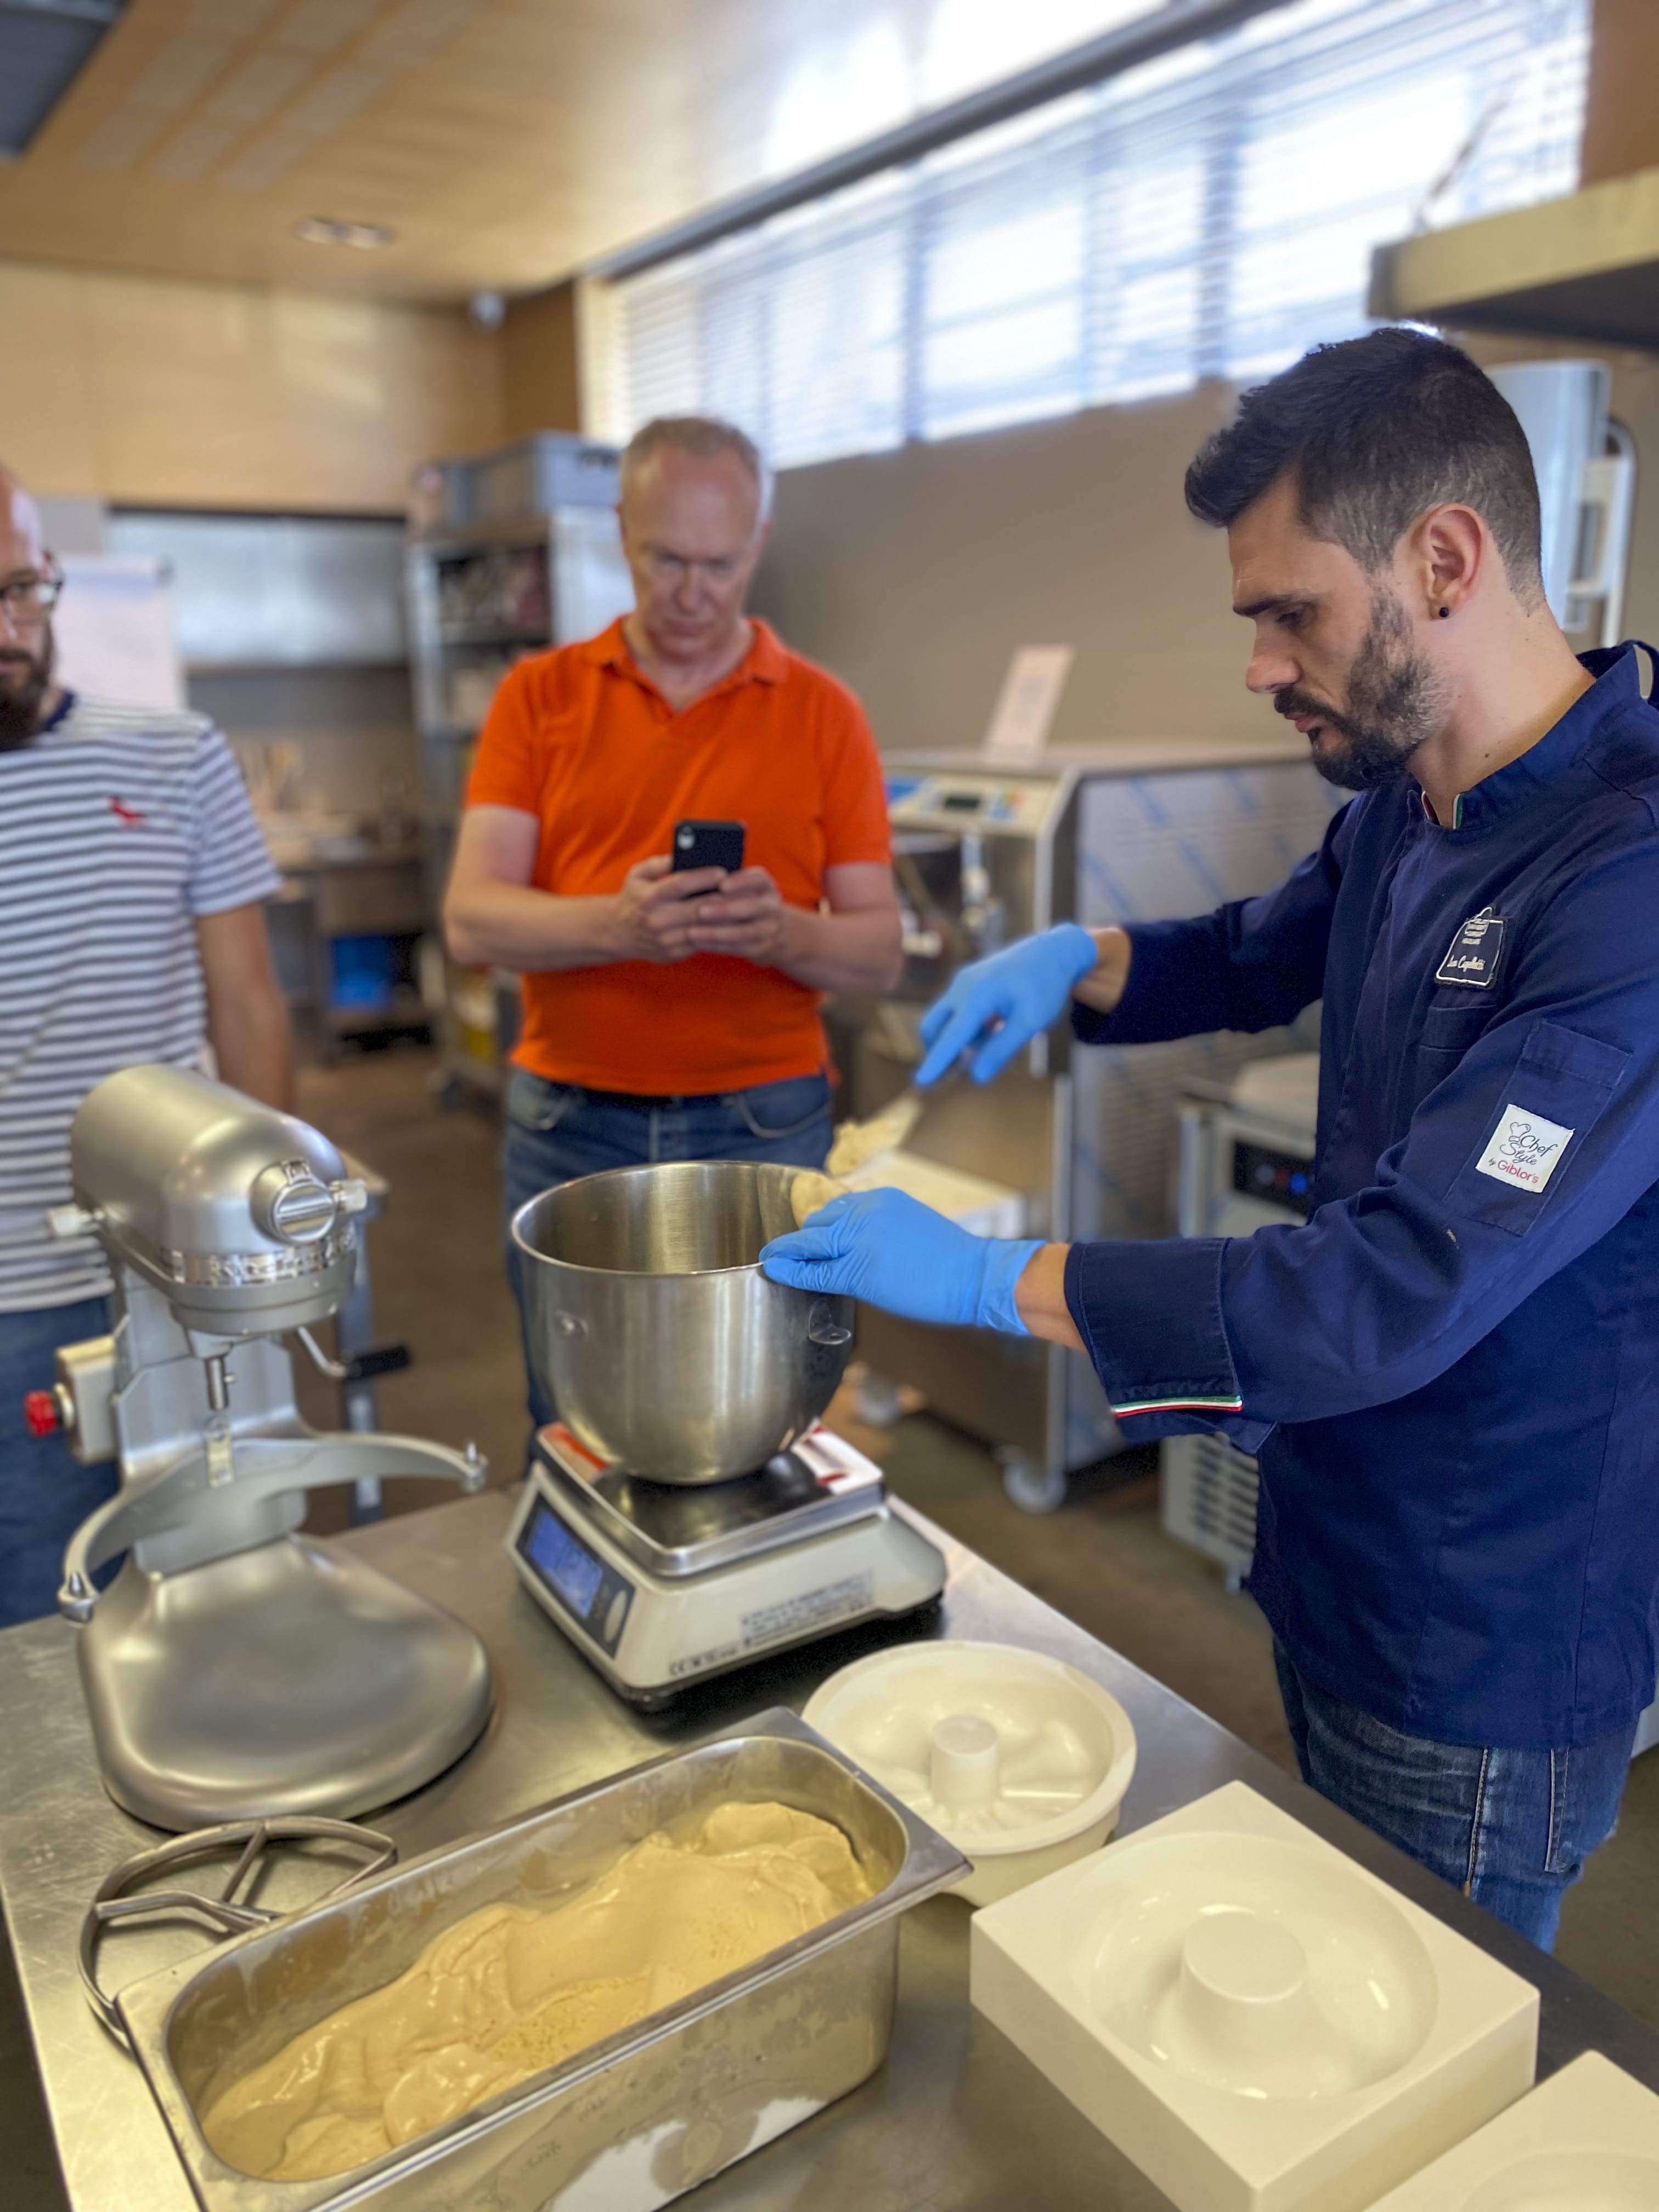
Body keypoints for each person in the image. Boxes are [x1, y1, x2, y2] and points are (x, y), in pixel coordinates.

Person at [763, 329, 1659, 1951]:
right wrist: (1075, 966)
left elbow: (1384, 1288)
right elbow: (1258, 946)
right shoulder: (1411, 796)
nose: (1260, 663)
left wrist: (991, 1279)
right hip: (1339, 1543)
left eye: (1288, 612)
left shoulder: (1628, 883)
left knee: (1404, 2063)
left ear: (1445, 560)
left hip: (1480, 1619)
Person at [443, 415, 901, 1425]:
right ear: (621, 532)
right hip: (570, 1119)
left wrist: (779, 931)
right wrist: (622, 926)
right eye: (665, 561)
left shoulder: (825, 714)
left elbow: (877, 951)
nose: (691, 593)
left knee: (767, 1412)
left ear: (759, 543)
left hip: (764, 1122)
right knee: (575, 1420)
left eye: (719, 565)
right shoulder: (538, 698)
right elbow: (472, 921)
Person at [0, 466, 290, 1627]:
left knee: (220, 1582)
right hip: (9, 1304)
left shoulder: (174, 756)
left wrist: (262, 1238)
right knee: (40, 1615)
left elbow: (251, 1006)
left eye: (21, 587)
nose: (7, 628)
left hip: (178, 1274)